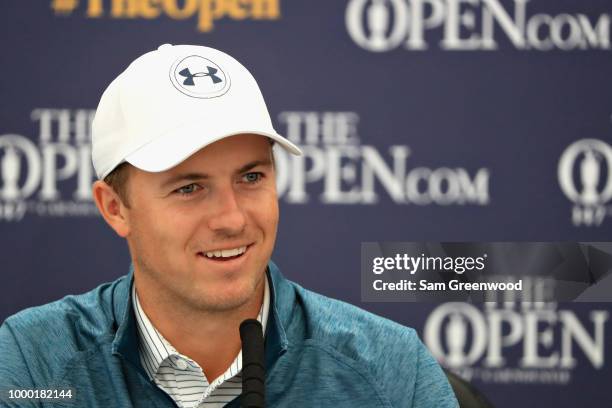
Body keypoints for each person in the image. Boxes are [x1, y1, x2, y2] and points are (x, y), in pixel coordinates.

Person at [0, 44, 458, 408]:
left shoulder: (390, 367)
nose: (233, 219)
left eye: (251, 177)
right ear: (115, 207)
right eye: (189, 188)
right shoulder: (32, 362)